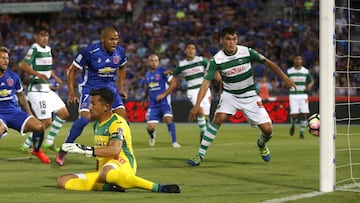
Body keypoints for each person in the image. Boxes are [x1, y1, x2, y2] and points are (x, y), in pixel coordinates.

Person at [187, 27, 297, 166]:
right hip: (230, 95)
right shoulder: (216, 60)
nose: (231, 42)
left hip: (250, 95)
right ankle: (200, 155)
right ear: (222, 41)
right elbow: (205, 83)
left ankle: (261, 144)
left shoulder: (247, 52)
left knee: (268, 130)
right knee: (218, 119)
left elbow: (269, 63)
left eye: (234, 39)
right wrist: (196, 106)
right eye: (228, 39)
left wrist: (285, 78)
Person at [57, 88, 180, 193]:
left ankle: (158, 187)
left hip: (122, 163)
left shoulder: (117, 123)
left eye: (93, 104)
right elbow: (100, 155)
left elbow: (115, 150)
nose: (90, 107)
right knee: (63, 180)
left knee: (106, 172)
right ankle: (108, 187)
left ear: (106, 107)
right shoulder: (97, 124)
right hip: (105, 169)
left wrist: (86, 150)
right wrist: (97, 171)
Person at [56, 26, 128, 166]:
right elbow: (72, 71)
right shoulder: (89, 51)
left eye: (117, 39)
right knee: (85, 119)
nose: (115, 42)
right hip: (90, 90)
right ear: (103, 39)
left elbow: (122, 68)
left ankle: (118, 154)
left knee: (123, 120)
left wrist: (121, 87)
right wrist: (71, 93)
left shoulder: (120, 52)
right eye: (111, 39)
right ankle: (64, 148)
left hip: (109, 90)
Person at [19, 25, 69, 152]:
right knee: (46, 122)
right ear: (36, 37)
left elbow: (47, 68)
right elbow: (23, 65)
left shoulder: (48, 49)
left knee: (64, 113)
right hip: (36, 91)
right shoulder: (34, 49)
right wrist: (37, 74)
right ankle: (26, 144)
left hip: (46, 89)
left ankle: (49, 141)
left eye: (46, 35)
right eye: (42, 35)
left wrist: (56, 77)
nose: (45, 38)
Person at [0, 46, 50, 164]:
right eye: (2, 58)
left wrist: (29, 114)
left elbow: (21, 96)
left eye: (7, 58)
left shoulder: (13, 77)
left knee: (39, 127)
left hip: (14, 112)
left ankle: (36, 150)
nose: (6, 61)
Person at [173, 42, 211, 141]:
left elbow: (212, 68)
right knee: (199, 110)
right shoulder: (182, 64)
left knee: (206, 117)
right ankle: (205, 133)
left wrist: (217, 74)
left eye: (193, 48)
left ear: (195, 50)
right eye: (189, 48)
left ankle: (203, 131)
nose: (191, 50)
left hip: (205, 89)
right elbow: (173, 74)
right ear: (185, 51)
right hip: (192, 90)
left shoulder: (202, 60)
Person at [142, 54, 180, 148]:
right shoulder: (147, 74)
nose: (154, 62)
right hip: (153, 104)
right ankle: (152, 135)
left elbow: (173, 83)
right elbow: (148, 88)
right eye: (152, 61)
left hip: (164, 102)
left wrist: (164, 94)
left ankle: (174, 142)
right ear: (148, 62)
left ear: (158, 62)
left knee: (168, 119)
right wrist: (144, 99)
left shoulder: (162, 71)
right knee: (150, 128)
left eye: (156, 60)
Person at [287, 54, 313, 138]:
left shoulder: (305, 71)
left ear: (301, 60)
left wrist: (310, 85)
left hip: (303, 94)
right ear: (294, 60)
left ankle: (301, 133)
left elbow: (311, 81)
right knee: (295, 115)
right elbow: (285, 82)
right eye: (296, 59)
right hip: (293, 94)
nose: (298, 61)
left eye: (299, 59)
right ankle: (293, 124)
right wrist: (287, 82)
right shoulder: (289, 71)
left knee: (304, 114)